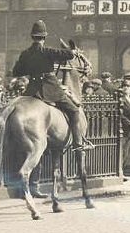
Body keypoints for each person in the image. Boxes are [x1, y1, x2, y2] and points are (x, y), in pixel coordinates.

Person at [11, 19, 94, 155]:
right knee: (74, 111)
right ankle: (78, 144)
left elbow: (16, 72)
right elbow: (70, 55)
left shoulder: (25, 53)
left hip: (31, 90)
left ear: (32, 37)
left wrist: (32, 67)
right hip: (51, 90)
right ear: (44, 37)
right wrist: (70, 49)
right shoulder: (48, 51)